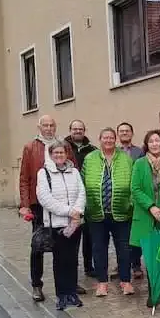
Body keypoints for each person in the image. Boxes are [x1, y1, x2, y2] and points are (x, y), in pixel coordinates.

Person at [19, 115, 75, 302]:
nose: (49, 128)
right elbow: (24, 179)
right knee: (38, 245)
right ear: (39, 127)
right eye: (45, 125)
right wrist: (25, 205)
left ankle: (68, 283)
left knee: (66, 243)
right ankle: (36, 285)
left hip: (63, 203)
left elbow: (73, 171)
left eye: (52, 125)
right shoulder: (30, 147)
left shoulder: (64, 146)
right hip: (38, 204)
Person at [82, 127, 135, 296]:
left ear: (115, 139)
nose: (108, 140)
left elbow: (134, 184)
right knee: (99, 249)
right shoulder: (90, 159)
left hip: (122, 212)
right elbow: (82, 183)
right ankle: (102, 282)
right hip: (96, 213)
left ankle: (126, 281)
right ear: (100, 139)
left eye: (111, 137)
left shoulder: (126, 159)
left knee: (124, 249)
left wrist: (131, 204)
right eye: (105, 137)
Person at [130, 130, 160, 307]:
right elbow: (135, 188)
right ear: (147, 144)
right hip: (147, 216)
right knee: (152, 256)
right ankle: (154, 292)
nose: (154, 144)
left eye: (157, 140)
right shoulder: (139, 164)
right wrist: (151, 206)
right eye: (151, 141)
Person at [35, 141, 87, 310]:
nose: (59, 155)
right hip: (57, 225)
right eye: (56, 153)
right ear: (51, 155)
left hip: (75, 223)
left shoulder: (75, 172)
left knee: (72, 260)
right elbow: (45, 199)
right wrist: (68, 211)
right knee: (60, 260)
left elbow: (82, 193)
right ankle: (62, 295)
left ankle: (72, 293)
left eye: (62, 152)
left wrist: (77, 211)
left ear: (67, 154)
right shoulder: (44, 173)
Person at [64, 119, 97, 284]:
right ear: (70, 130)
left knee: (89, 235)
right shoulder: (63, 148)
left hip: (89, 198)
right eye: (75, 128)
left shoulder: (92, 150)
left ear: (84, 131)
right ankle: (71, 270)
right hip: (70, 199)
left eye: (81, 129)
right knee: (72, 236)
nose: (78, 131)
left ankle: (88, 266)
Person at [117, 121, 145, 279]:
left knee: (135, 233)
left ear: (132, 133)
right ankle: (123, 264)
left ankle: (136, 264)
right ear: (118, 134)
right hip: (119, 198)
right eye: (121, 131)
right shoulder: (114, 152)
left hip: (135, 197)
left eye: (127, 131)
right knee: (121, 234)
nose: (124, 133)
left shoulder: (139, 152)